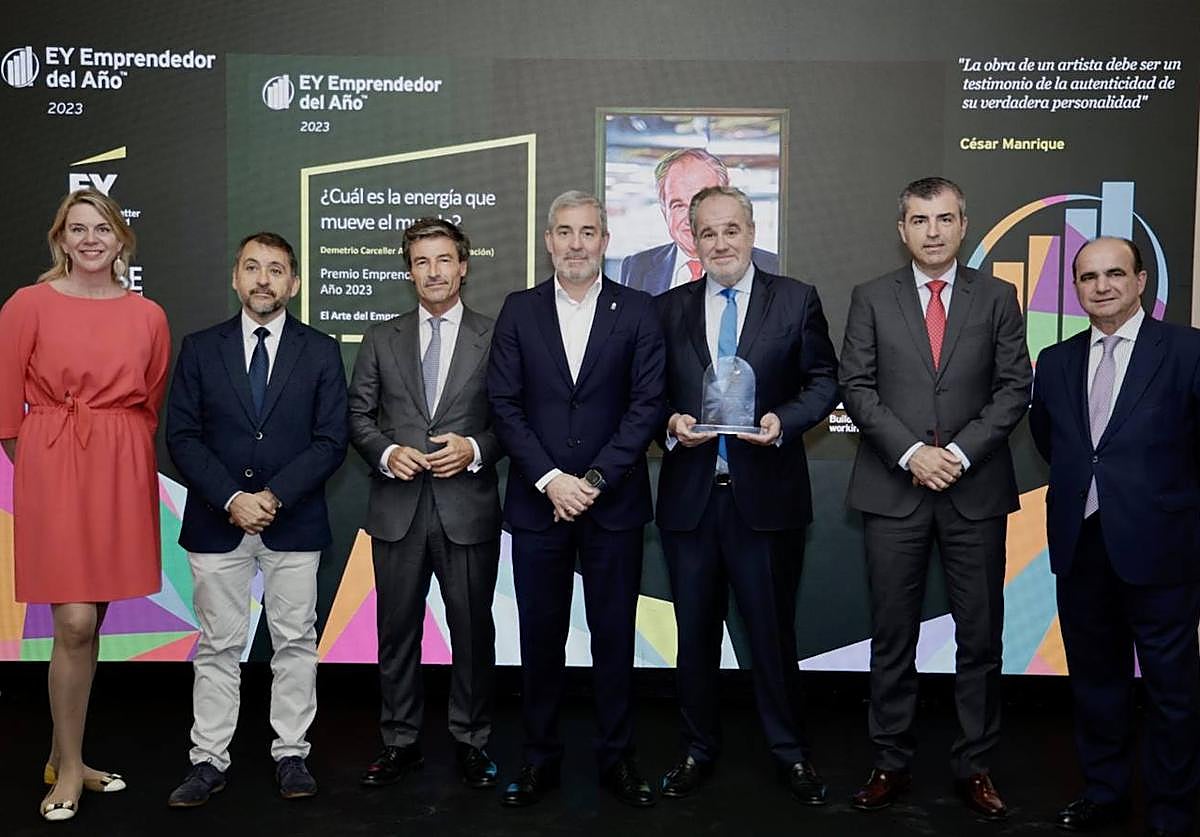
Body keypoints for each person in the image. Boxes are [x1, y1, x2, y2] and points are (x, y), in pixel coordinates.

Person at [839, 177, 1031, 818]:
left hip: (974, 491)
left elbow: (1014, 387)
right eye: (920, 220)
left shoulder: (998, 296)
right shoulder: (871, 297)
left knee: (980, 638)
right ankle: (889, 762)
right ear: (902, 229)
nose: (933, 231)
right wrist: (912, 454)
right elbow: (856, 386)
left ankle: (976, 765)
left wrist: (958, 454)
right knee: (892, 635)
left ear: (963, 225)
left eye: (944, 219)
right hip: (894, 488)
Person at [654, 185, 838, 803]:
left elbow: (824, 381)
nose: (721, 242)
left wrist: (784, 421)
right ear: (693, 240)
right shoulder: (667, 309)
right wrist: (670, 421)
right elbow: (646, 393)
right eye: (707, 232)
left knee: (772, 635)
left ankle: (791, 754)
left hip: (767, 499)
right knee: (694, 637)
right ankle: (696, 750)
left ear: (753, 232)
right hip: (692, 500)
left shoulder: (796, 299)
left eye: (731, 229)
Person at [487, 190, 665, 807]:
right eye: (564, 232)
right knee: (540, 640)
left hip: (612, 505)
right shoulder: (519, 310)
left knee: (614, 638)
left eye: (588, 232)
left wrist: (591, 482)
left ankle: (618, 759)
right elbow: (504, 404)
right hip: (539, 504)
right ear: (548, 241)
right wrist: (551, 480)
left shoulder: (638, 310)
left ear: (605, 241)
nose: (576, 244)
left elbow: (647, 405)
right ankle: (539, 759)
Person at [0, 189, 170, 822]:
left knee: (90, 621)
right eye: (78, 229)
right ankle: (71, 768)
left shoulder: (148, 314)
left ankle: (62, 754)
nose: (91, 239)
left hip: (119, 464)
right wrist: (42, 467)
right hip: (52, 461)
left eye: (102, 228)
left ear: (122, 238)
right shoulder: (28, 304)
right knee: (72, 623)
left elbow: (149, 401)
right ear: (60, 240)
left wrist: (119, 452)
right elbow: (5, 406)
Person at [164, 231, 348, 806]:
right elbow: (182, 437)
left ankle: (291, 752)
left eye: (275, 269)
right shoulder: (200, 348)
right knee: (218, 644)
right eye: (252, 267)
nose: (263, 279)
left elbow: (331, 439)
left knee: (295, 641)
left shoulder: (320, 350)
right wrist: (232, 498)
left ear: (294, 283)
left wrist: (272, 496)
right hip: (217, 521)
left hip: (293, 521)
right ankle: (207, 760)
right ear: (235, 278)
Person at [1030, 237, 1200, 837]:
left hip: (1162, 548)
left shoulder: (1187, 351)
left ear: (1141, 280)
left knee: (1172, 691)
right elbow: (1053, 442)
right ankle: (1104, 792)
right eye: (1088, 277)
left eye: (1114, 274)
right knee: (1096, 684)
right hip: (1082, 545)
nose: (1101, 286)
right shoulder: (1055, 360)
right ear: (1076, 288)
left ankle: (1172, 810)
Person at [348, 218, 503, 789]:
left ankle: (472, 740)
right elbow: (358, 416)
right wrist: (388, 453)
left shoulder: (496, 336)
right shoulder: (380, 337)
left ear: (463, 267)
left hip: (468, 510)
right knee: (396, 633)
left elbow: (511, 419)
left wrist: (475, 449)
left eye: (443, 260)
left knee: (473, 633)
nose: (433, 272)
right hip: (398, 509)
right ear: (409, 272)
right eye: (421, 262)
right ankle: (399, 742)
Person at [619, 148, 778, 295]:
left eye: (701, 202)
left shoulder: (774, 268)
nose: (691, 218)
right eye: (678, 205)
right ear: (664, 210)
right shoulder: (637, 268)